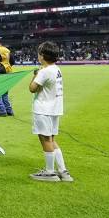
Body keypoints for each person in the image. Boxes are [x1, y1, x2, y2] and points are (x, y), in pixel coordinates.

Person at [29, 41, 73, 182]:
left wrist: (35, 75)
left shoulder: (44, 72)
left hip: (43, 109)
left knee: (45, 139)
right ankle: (63, 171)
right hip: (55, 109)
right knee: (52, 139)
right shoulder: (56, 69)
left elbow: (32, 88)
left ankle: (50, 172)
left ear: (42, 56)